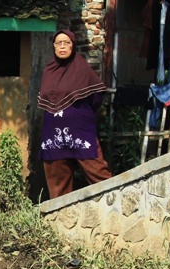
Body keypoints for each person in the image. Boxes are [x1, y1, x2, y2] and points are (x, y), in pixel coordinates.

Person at [37, 29, 113, 199]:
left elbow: (97, 97)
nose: (62, 46)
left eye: (67, 43)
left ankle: (114, 205)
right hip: (53, 134)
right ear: (54, 47)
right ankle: (60, 221)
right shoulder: (48, 71)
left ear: (73, 46)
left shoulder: (82, 69)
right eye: (58, 43)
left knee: (98, 172)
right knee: (58, 180)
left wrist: (80, 113)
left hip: (80, 129)